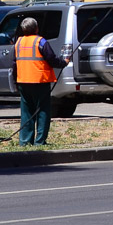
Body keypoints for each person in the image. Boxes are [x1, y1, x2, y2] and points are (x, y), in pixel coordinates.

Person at [13, 17, 66, 147]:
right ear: (36, 28)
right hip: (39, 81)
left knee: (26, 112)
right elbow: (51, 59)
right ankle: (40, 141)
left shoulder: (18, 42)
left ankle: (25, 141)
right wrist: (63, 62)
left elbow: (14, 64)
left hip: (23, 81)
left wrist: (16, 81)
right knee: (42, 111)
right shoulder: (40, 42)